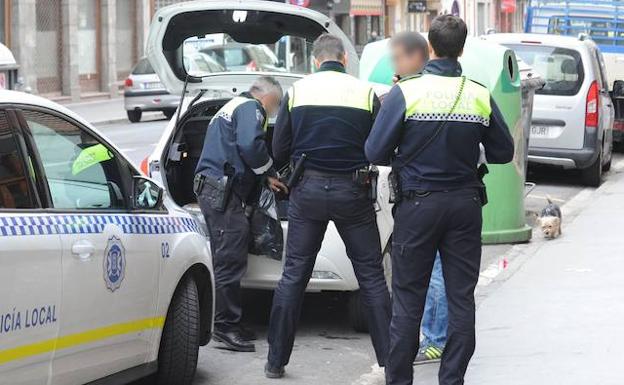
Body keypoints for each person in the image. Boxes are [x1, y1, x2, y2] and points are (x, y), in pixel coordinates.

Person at [366, 15, 515, 385]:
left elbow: (375, 150)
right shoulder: (478, 93)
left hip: (417, 206)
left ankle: (399, 380)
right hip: (465, 206)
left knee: (407, 301)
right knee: (461, 299)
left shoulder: (408, 91)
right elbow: (502, 151)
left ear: (430, 47)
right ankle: (451, 379)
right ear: (461, 48)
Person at [265, 33, 391, 379]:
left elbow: (279, 149)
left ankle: (276, 362)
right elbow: (379, 146)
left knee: (293, 277)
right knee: (372, 278)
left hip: (308, 192)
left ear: (316, 62)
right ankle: (391, 364)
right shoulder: (365, 92)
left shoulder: (297, 92)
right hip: (353, 191)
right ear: (344, 60)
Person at [195, 76, 288, 353]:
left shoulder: (231, 106)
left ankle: (229, 322)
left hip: (216, 188)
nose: (275, 110)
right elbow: (250, 145)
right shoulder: (251, 108)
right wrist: (270, 172)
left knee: (230, 253)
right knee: (229, 257)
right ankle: (224, 326)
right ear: (268, 97)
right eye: (277, 104)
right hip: (220, 190)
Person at [390, 31, 449, 365]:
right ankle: (437, 337)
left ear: (422, 54)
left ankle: (435, 340)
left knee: (428, 274)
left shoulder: (411, 93)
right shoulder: (464, 90)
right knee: (442, 272)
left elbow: (379, 144)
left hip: (421, 197)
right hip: (458, 197)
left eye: (399, 57)